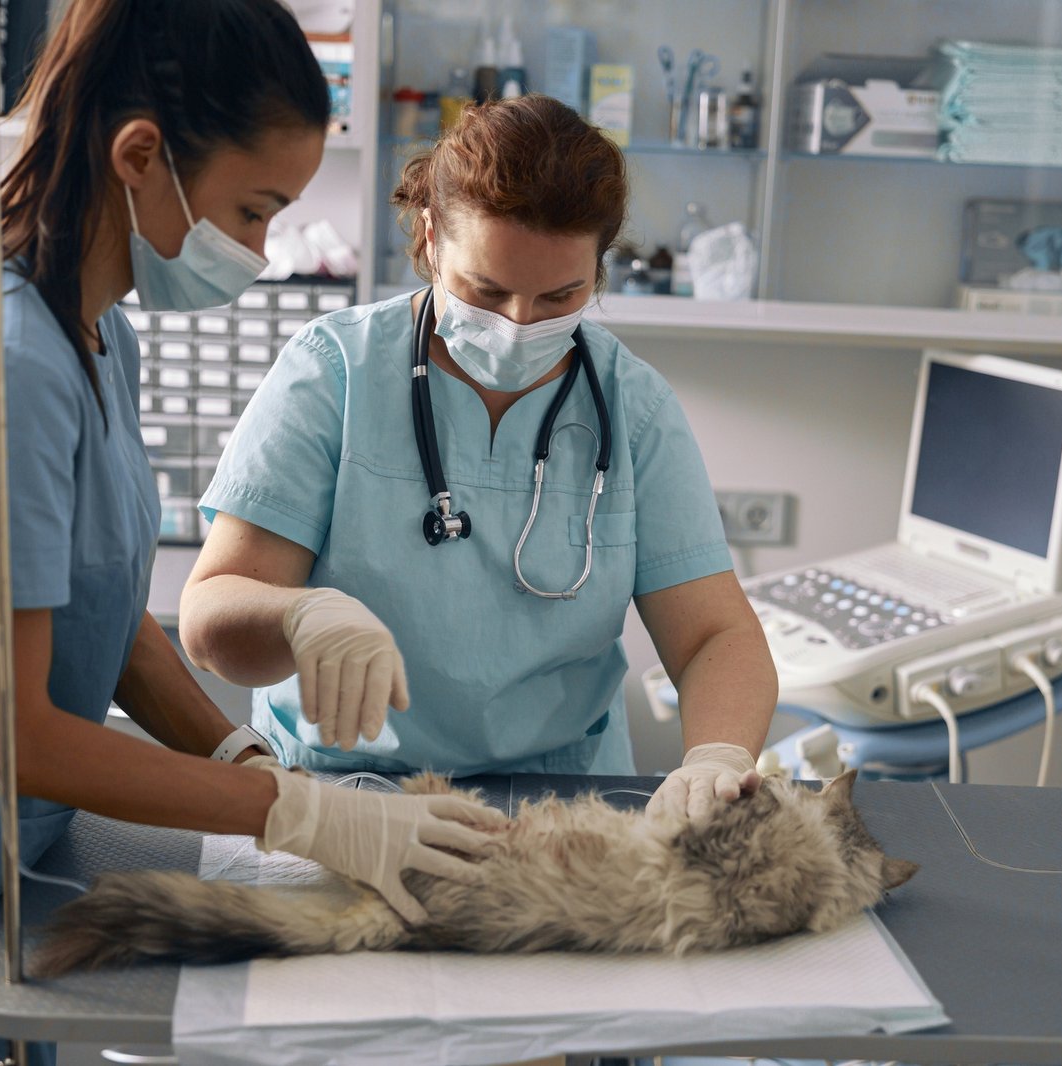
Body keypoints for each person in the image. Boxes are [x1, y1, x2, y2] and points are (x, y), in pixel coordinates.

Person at [0, 3, 503, 1064]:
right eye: (253, 211)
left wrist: (234, 744)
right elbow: (0, 734)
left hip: (15, 873)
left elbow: (101, 614)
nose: (258, 250)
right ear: (140, 155)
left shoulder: (97, 337)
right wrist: (288, 810)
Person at [180, 96, 779, 819]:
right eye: (486, 290)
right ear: (432, 239)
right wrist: (301, 616)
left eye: (562, 294)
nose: (518, 324)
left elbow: (715, 634)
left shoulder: (634, 409)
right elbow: (211, 618)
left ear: (601, 267)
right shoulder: (334, 372)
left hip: (561, 802)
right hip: (346, 794)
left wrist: (717, 754)